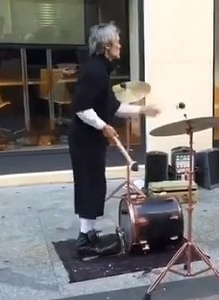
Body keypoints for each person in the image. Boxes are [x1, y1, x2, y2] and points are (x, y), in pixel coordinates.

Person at [68, 22, 160, 259]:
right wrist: (104, 126)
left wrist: (142, 110)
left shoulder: (101, 68)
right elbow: (81, 108)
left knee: (95, 184)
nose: (120, 45)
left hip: (89, 138)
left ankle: (88, 234)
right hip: (84, 139)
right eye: (118, 41)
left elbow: (112, 106)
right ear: (108, 45)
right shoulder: (95, 71)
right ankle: (85, 242)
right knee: (90, 185)